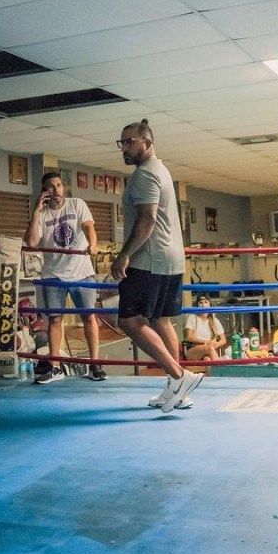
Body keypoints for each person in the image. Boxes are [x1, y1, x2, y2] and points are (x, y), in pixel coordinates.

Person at [111, 118, 202, 412]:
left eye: (129, 142)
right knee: (161, 320)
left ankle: (179, 375)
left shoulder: (145, 175)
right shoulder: (161, 169)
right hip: (170, 257)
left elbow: (147, 220)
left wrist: (124, 254)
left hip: (149, 260)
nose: (124, 148)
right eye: (121, 143)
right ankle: (177, 389)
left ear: (146, 143)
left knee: (130, 321)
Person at [24, 171, 106, 383]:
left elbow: (89, 227)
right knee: (55, 320)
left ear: (63, 188)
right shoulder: (42, 214)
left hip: (82, 272)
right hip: (54, 274)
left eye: (59, 185)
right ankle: (55, 366)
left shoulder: (76, 204)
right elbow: (32, 242)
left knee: (89, 317)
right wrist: (36, 211)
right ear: (45, 192)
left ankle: (95, 364)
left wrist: (93, 245)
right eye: (50, 186)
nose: (56, 190)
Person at [182, 296, 228, 361]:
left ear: (210, 305)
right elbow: (189, 337)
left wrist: (216, 344)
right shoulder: (192, 318)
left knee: (207, 359)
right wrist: (206, 342)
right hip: (193, 349)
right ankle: (220, 370)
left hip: (210, 349)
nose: (203, 305)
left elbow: (223, 340)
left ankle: (213, 371)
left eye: (206, 302)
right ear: (197, 305)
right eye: (201, 302)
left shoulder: (215, 321)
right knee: (209, 348)